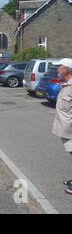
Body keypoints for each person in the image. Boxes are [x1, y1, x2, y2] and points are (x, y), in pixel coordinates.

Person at [51, 59, 72, 195]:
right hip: (66, 129)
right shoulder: (65, 85)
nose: (57, 69)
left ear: (67, 69)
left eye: (59, 67)